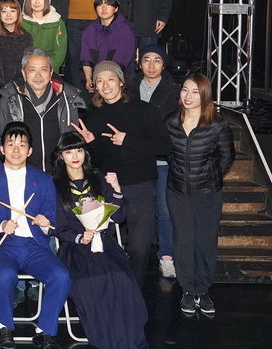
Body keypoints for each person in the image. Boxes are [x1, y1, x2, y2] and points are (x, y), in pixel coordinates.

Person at [72, 60, 174, 287]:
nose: (105, 85)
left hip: (140, 185)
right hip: (108, 187)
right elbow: (98, 161)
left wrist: (128, 140)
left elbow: (165, 146)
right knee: (103, 244)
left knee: (139, 247)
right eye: (99, 81)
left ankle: (133, 291)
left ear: (120, 82)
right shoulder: (94, 117)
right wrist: (91, 143)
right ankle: (110, 290)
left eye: (110, 79)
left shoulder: (144, 110)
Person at [51, 132, 148, 349]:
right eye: (69, 151)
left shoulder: (98, 178)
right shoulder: (55, 186)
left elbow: (118, 217)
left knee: (121, 279)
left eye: (79, 150)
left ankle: (127, 338)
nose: (75, 156)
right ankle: (107, 340)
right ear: (60, 156)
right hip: (75, 249)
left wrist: (117, 191)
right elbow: (58, 226)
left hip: (105, 245)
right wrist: (79, 237)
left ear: (85, 152)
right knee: (91, 283)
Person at [0, 122, 71, 349]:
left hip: (33, 244)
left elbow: (52, 218)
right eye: (11, 144)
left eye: (22, 144)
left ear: (30, 151)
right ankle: (5, 327)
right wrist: (1, 225)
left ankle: (44, 330)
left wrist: (45, 223)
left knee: (60, 276)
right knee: (6, 274)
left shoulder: (44, 180)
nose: (16, 149)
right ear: (1, 149)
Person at [166, 73, 234, 316]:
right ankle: (187, 289)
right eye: (185, 90)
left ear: (205, 95)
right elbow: (167, 153)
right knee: (183, 242)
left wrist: (209, 177)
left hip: (208, 194)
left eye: (195, 91)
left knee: (205, 242)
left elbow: (227, 158)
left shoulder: (217, 125)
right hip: (177, 192)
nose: (188, 96)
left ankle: (203, 290)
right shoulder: (170, 122)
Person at [128, 45, 180, 279]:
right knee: (133, 210)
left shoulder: (174, 91)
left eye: (157, 60)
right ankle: (131, 252)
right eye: (147, 59)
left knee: (164, 210)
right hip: (133, 160)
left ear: (163, 64)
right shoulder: (128, 87)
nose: (151, 65)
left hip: (161, 160)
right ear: (140, 63)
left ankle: (166, 256)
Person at [0, 49, 83, 172]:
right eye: (32, 70)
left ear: (51, 73)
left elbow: (73, 138)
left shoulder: (68, 98)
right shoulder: (10, 100)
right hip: (23, 173)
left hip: (59, 173)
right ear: (24, 73)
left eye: (43, 70)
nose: (38, 75)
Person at [80, 0, 136, 92]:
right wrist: (89, 79)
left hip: (119, 79)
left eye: (108, 5)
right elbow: (86, 58)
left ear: (116, 9)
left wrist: (101, 82)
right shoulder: (89, 30)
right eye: (99, 5)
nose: (103, 8)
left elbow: (120, 63)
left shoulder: (125, 31)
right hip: (96, 80)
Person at [0, 0, 33, 100]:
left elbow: (28, 65)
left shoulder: (27, 37)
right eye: (4, 11)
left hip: (21, 89)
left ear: (18, 13)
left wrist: (17, 86)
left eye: (12, 11)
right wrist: (5, 88)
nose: (8, 15)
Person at [21, 0, 67, 74]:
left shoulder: (57, 22)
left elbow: (59, 52)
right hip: (25, 71)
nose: (36, 2)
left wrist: (47, 70)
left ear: (46, 0)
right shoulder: (22, 22)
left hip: (49, 71)